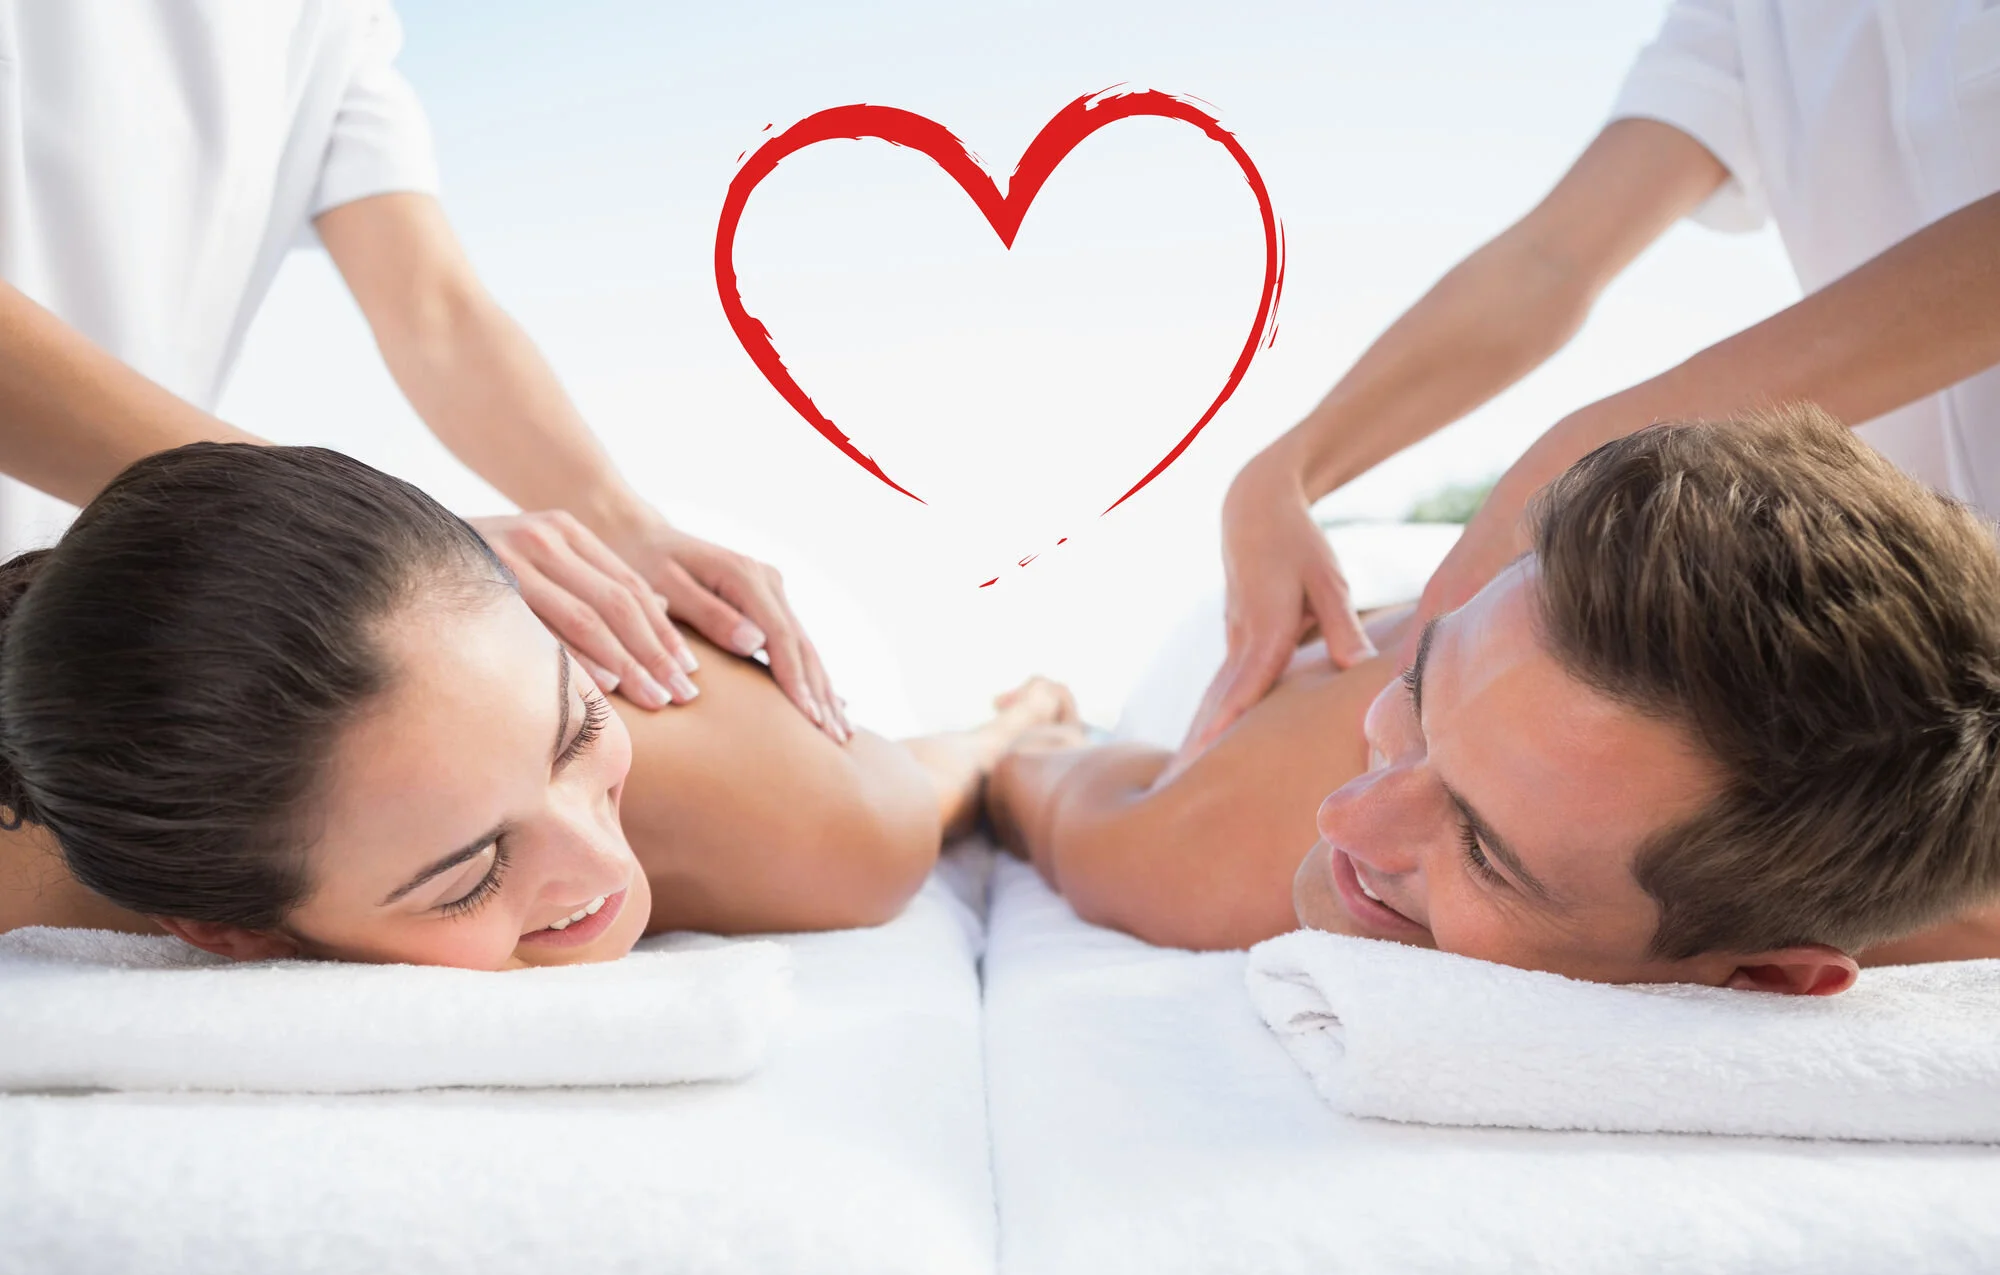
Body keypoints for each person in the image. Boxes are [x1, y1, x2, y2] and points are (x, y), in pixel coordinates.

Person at [1177, 0, 2000, 771]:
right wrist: (1283, 472)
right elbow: (1552, 258)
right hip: (1916, 642)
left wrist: (1584, 454)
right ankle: (1042, 743)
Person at [0, 0, 846, 740]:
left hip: (78, 601)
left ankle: (973, 756)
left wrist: (618, 523)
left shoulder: (327, 20)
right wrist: (382, 536)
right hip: (69, 623)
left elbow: (433, 310)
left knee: (727, 760)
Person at [987, 407, 2000, 994]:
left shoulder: (1832, 865)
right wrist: (1034, 726)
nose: (1345, 817)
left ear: (1766, 977)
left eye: (1483, 848)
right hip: (1334, 616)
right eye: (1420, 696)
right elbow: (1024, 776)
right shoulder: (1211, 843)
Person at [0, 443, 1073, 968]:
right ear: (225, 930)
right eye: (468, 873)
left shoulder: (810, 828)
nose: (600, 866)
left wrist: (1004, 739)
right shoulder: (95, 864)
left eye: (573, 733)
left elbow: (913, 790)